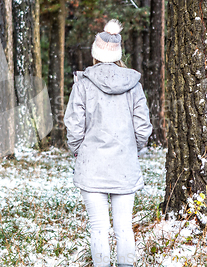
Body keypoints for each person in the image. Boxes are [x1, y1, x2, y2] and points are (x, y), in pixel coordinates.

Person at [64, 19, 153, 267]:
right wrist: (131, 148)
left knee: (99, 229)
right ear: (117, 54)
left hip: (92, 166)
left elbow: (73, 126)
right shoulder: (134, 86)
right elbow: (143, 127)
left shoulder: (82, 85)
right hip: (124, 165)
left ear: (95, 53)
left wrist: (80, 151)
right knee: (124, 228)